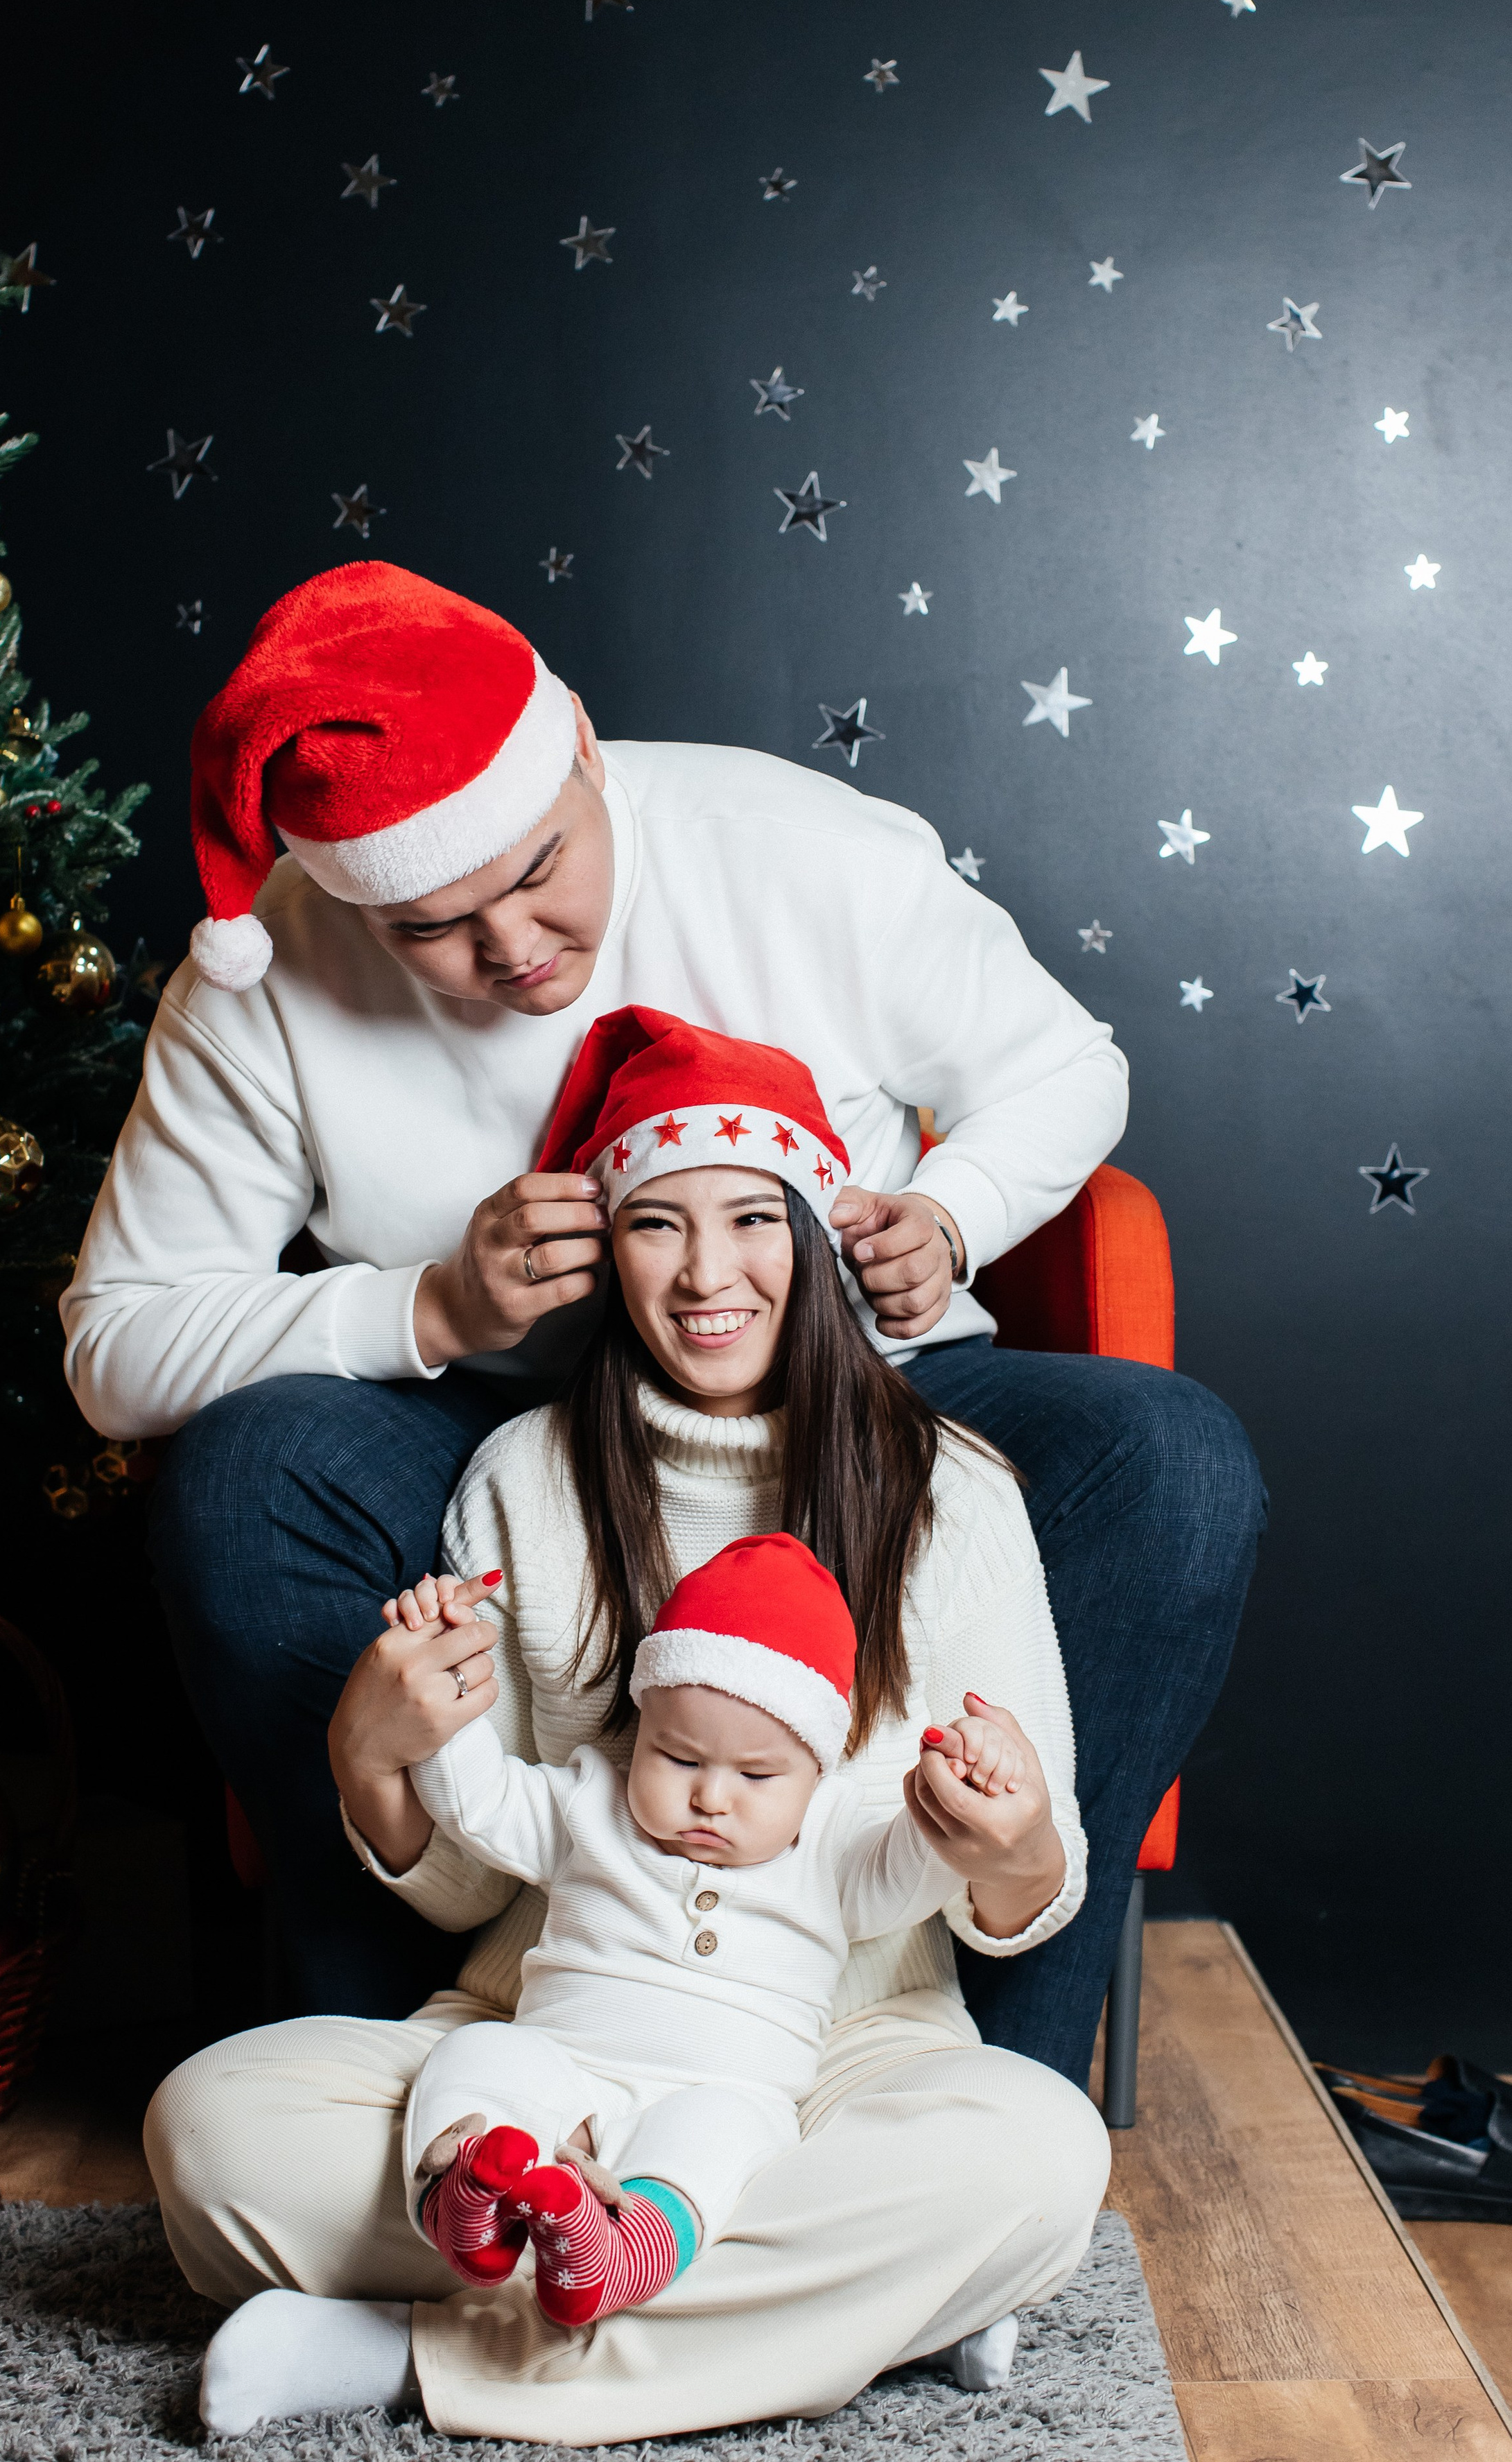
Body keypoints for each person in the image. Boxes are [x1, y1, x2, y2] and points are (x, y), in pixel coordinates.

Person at [64, 557, 1265, 2071]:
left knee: (1170, 1457)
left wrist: (953, 1213)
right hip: (495, 1424)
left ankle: (993, 2078)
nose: (509, 950)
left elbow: (1067, 1063)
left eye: (531, 872)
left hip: (860, 1395)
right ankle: (385, 2059)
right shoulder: (262, 979)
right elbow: (116, 1344)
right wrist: (429, 1300)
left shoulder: (788, 848)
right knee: (246, 1478)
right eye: (428, 929)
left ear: (575, 745)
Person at [148, 1019, 1109, 2444]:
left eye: (746, 1222)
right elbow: (484, 1878)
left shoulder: (948, 1491)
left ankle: (396, 2356)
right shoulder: (524, 1480)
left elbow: (1020, 1898)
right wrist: (374, 1753)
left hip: (842, 2052)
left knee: (1037, 2159)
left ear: (812, 1235)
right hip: (543, 2025)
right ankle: (857, 2310)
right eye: (657, 1224)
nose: (706, 1275)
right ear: (611, 1248)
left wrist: (1014, 1842)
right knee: (209, 2130)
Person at [398, 1532, 1073, 2334]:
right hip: (562, 2062)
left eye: (756, 1777)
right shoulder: (588, 1802)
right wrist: (443, 1672)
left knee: (722, 2145)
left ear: (817, 1771)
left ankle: (612, 2251)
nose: (711, 1798)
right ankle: (466, 2196)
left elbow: (923, 1861)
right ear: (641, 1729)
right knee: (478, 2057)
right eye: (677, 1757)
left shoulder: (833, 1845)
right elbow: (475, 1797)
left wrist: (970, 1775)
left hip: (726, 2092)